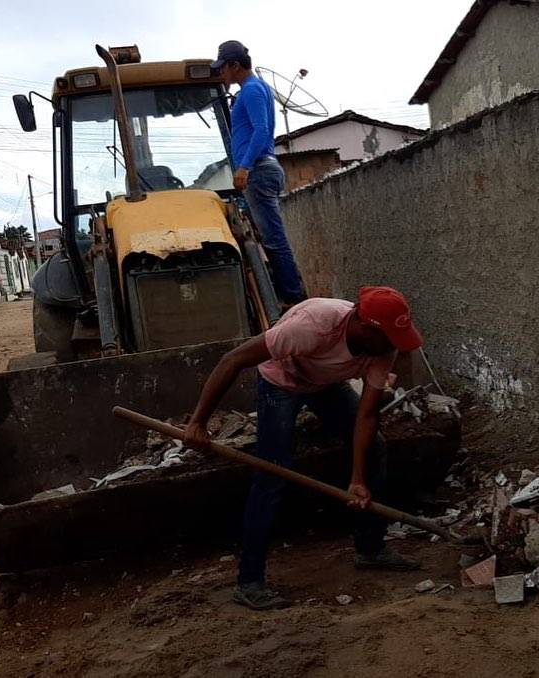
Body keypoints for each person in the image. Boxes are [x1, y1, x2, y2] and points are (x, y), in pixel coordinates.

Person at [184, 287, 423, 610]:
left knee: (375, 448)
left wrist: (357, 479)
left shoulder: (382, 347)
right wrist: (198, 422)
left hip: (326, 382)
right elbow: (234, 359)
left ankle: (371, 548)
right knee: (273, 470)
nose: (395, 345)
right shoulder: (312, 326)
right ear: (366, 328)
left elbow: (366, 416)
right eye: (390, 337)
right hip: (282, 380)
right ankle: (250, 580)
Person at [211, 39, 305, 304]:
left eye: (223, 68)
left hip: (259, 170)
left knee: (274, 240)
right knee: (267, 237)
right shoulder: (255, 89)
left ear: (235, 65)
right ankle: (284, 292)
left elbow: (261, 130)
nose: (222, 74)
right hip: (263, 168)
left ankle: (292, 299)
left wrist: (244, 167)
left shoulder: (251, 91)